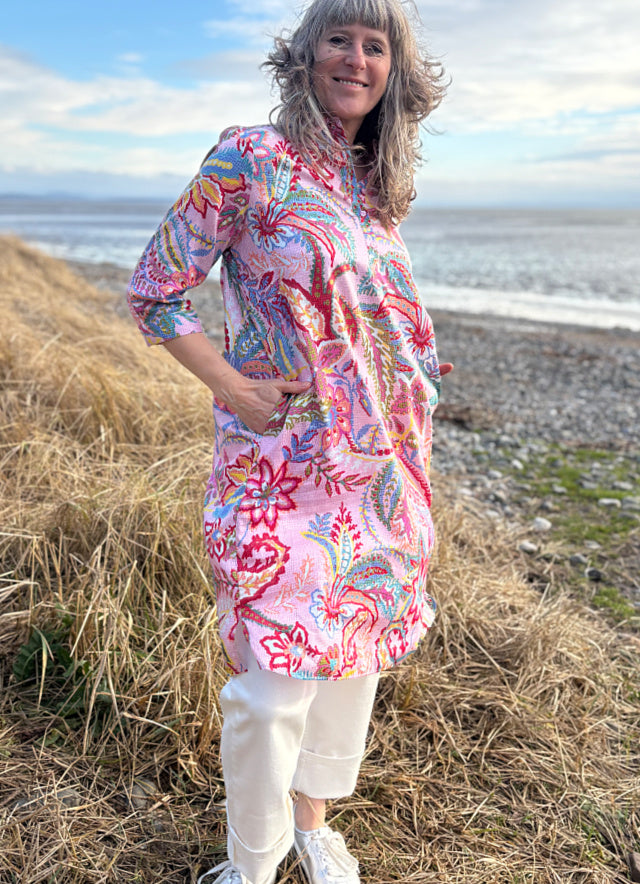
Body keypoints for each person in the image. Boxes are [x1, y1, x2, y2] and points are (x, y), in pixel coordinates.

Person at [127, 1, 450, 881]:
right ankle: (252, 861)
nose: (356, 58)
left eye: (375, 45)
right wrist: (232, 384)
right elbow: (154, 290)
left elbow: (370, 317)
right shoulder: (249, 158)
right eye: (339, 39)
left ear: (394, 70)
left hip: (382, 468)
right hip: (279, 473)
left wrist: (417, 375)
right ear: (304, 56)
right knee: (269, 691)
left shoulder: (377, 186)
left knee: (353, 663)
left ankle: (314, 825)